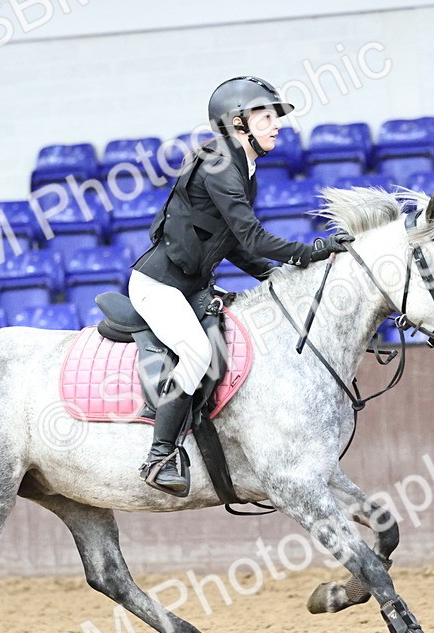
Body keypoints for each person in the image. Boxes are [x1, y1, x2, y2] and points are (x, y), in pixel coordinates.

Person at [129, 75, 353, 495]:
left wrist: (279, 279)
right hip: (159, 285)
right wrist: (314, 251)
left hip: (192, 285)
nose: (277, 124)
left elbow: (233, 245)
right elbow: (252, 236)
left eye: (275, 116)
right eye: (266, 116)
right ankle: (159, 455)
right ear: (237, 123)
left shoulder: (244, 169)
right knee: (197, 354)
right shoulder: (218, 163)